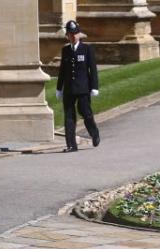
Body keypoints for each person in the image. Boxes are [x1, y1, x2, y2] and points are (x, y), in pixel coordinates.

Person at [56, 20, 100, 152]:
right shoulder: (65, 50)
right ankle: (71, 145)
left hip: (83, 89)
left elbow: (92, 69)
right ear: (67, 36)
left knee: (86, 113)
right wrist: (59, 88)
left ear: (78, 34)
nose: (73, 36)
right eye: (70, 34)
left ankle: (94, 133)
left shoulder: (86, 49)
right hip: (69, 89)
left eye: (75, 33)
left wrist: (94, 87)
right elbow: (62, 71)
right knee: (69, 117)